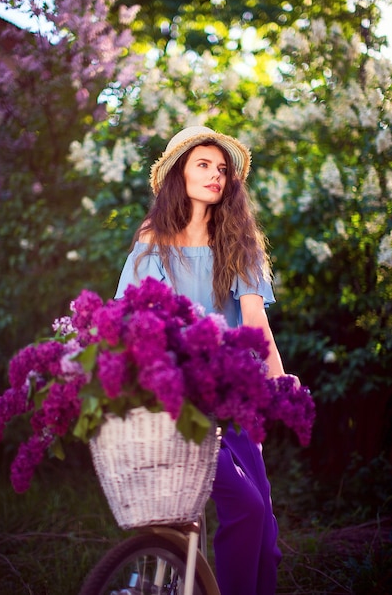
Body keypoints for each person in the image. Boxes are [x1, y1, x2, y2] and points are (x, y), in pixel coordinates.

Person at [114, 125, 297, 595]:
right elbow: (132, 318)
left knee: (265, 532)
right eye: (203, 165)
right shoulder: (152, 242)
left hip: (235, 397)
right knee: (245, 505)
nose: (216, 175)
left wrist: (279, 379)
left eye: (222, 169)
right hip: (178, 399)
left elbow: (255, 320)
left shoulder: (239, 241)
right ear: (179, 172)